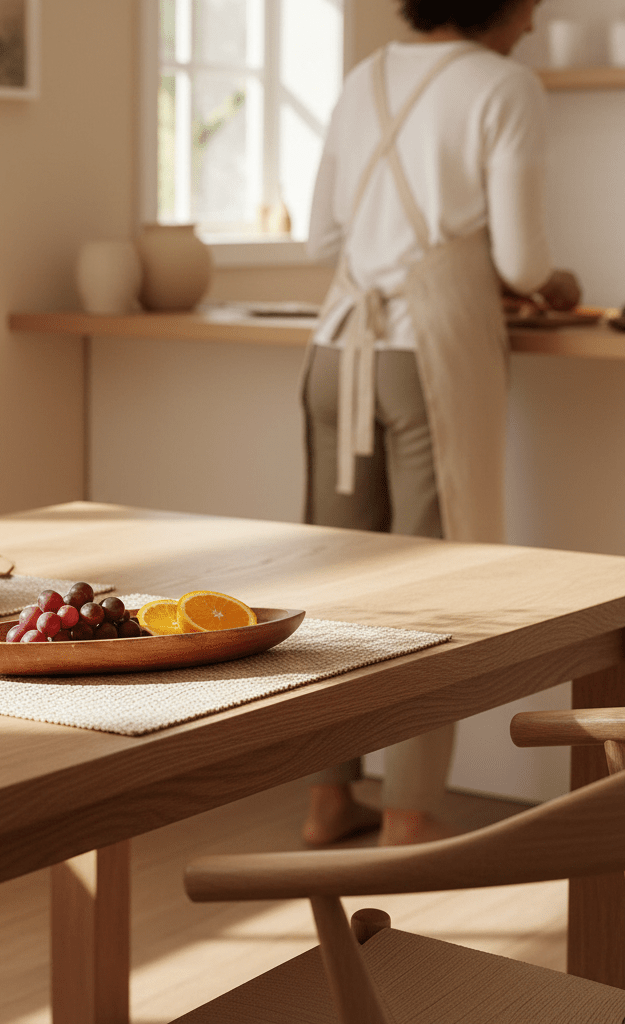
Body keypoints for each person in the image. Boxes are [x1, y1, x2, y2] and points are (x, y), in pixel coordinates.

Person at [300, 0, 580, 847]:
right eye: (532, 3)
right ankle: (410, 812)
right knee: (436, 593)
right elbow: (523, 261)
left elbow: (323, 237)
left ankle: (326, 801)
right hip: (428, 358)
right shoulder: (504, 85)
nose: (534, 21)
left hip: (336, 350)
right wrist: (553, 282)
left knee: (335, 595)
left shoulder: (363, 79)